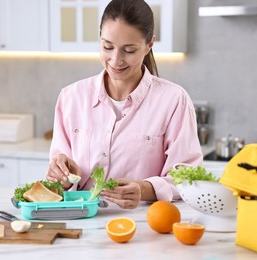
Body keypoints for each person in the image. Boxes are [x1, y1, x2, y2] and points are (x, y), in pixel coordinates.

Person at [46, 0, 202, 209]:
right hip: (82, 225)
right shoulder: (71, 98)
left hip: (144, 227)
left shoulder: (173, 100)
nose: (115, 60)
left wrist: (145, 189)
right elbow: (60, 181)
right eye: (107, 47)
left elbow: (188, 177)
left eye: (129, 50)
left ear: (149, 45)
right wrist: (62, 177)